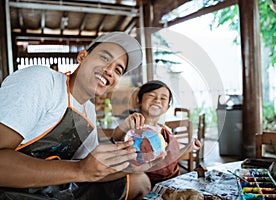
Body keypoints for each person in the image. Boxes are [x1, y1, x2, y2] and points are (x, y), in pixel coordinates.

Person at [0, 32, 153, 200]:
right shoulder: (42, 81)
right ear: (82, 56)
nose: (110, 70)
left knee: (140, 181)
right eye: (104, 58)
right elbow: (82, 170)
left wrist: (134, 162)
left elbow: (92, 168)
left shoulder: (89, 110)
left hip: (53, 191)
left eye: (118, 70)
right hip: (11, 192)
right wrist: (79, 170)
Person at [112, 80, 202, 187]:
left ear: (167, 107)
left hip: (172, 184)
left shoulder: (166, 130)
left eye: (163, 98)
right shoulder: (133, 128)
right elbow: (116, 137)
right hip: (145, 187)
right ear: (138, 100)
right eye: (152, 95)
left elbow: (171, 157)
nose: (157, 100)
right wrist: (126, 125)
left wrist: (189, 147)